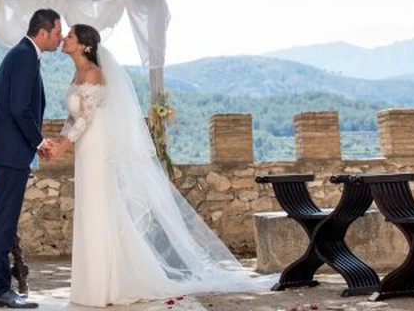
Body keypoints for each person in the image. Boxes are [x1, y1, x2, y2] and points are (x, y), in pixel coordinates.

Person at [47, 24, 272, 307]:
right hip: (84, 148)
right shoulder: (77, 73)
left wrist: (64, 145)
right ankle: (94, 283)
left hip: (97, 147)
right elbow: (72, 117)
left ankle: (110, 283)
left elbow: (86, 118)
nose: (64, 39)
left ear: (83, 45)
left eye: (70, 36)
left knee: (99, 208)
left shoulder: (93, 73)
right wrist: (56, 145)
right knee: (90, 208)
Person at [0, 8, 63, 309]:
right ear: (43, 31)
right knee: (2, 223)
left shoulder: (22, 53)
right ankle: (0, 289)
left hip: (3, 149)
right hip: (10, 152)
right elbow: (19, 108)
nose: (60, 37)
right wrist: (39, 141)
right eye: (57, 32)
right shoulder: (25, 56)